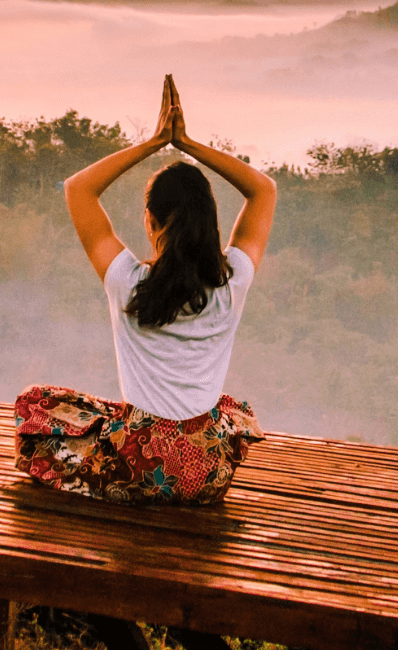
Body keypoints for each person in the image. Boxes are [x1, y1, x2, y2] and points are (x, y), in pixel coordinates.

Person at [14, 75, 275, 506]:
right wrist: (187, 144)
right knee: (225, 409)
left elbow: (78, 188)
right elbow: (263, 189)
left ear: (151, 222)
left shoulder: (127, 282)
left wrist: (156, 142)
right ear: (210, 224)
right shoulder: (234, 283)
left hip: (135, 467)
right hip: (206, 473)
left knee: (34, 404)